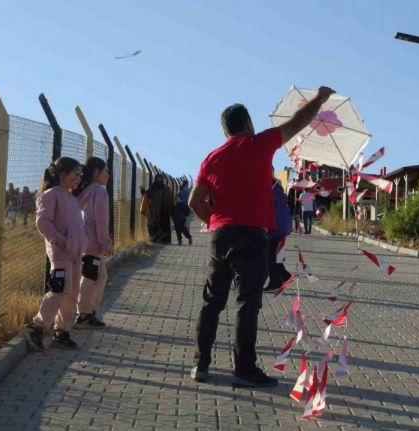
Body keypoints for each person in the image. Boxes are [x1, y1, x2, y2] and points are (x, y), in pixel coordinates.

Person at [189, 86, 336, 387]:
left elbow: (195, 201)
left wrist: (215, 222)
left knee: (212, 301)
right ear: (248, 124)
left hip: (221, 236)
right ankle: (244, 369)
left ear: (225, 130)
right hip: (252, 236)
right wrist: (320, 99)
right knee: (247, 302)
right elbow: (298, 121)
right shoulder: (261, 143)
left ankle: (200, 365)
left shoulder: (211, 158)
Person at [23, 157, 86, 351]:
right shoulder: (50, 195)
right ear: (62, 175)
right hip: (60, 253)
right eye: (76, 174)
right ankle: (37, 326)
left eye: (80, 174)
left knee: (73, 293)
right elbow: (43, 223)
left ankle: (62, 331)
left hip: (75, 253)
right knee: (60, 290)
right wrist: (61, 240)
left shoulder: (71, 198)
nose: (79, 178)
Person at [72, 157, 113, 330]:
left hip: (82, 240)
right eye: (105, 171)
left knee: (97, 276)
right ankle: (84, 314)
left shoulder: (83, 191)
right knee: (92, 278)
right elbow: (101, 220)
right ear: (97, 172)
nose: (108, 176)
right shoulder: (99, 192)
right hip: (94, 243)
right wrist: (106, 241)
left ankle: (88, 312)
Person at [263, 179, 293, 292]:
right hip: (281, 226)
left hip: (275, 227)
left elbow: (267, 210)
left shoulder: (272, 193)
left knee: (270, 256)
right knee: (272, 255)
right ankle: (285, 276)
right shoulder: (278, 192)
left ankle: (276, 281)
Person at [141, 174, 173, 244]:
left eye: (160, 179)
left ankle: (164, 240)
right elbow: (147, 196)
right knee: (154, 225)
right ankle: (155, 239)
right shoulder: (152, 188)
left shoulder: (166, 189)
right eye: (157, 178)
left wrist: (170, 210)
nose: (159, 180)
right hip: (154, 211)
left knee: (164, 225)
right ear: (155, 179)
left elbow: (170, 201)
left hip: (164, 212)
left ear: (162, 179)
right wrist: (143, 192)